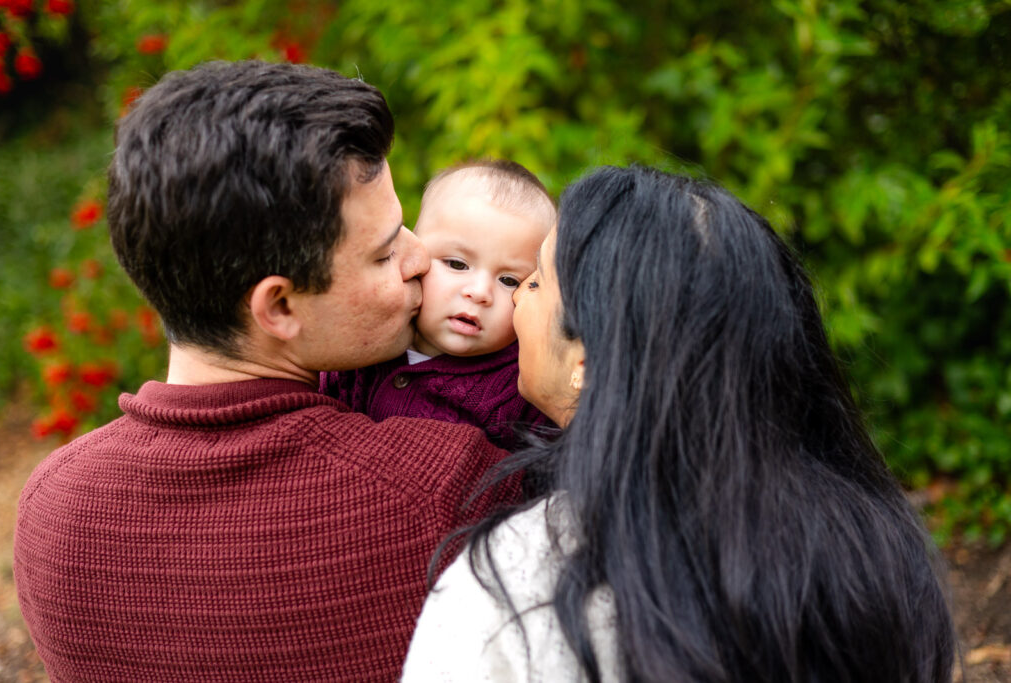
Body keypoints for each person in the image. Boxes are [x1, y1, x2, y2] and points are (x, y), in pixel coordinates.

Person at [12, 61, 521, 683]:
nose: (421, 259)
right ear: (279, 306)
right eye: (386, 252)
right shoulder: (446, 490)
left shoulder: (53, 513)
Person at [402, 165, 957, 682]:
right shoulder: (866, 548)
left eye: (532, 282)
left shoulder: (516, 582)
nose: (509, 298)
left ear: (587, 365)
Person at [322, 159, 555, 450]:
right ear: (414, 254)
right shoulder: (363, 344)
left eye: (509, 281)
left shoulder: (521, 384)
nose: (480, 292)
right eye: (457, 264)